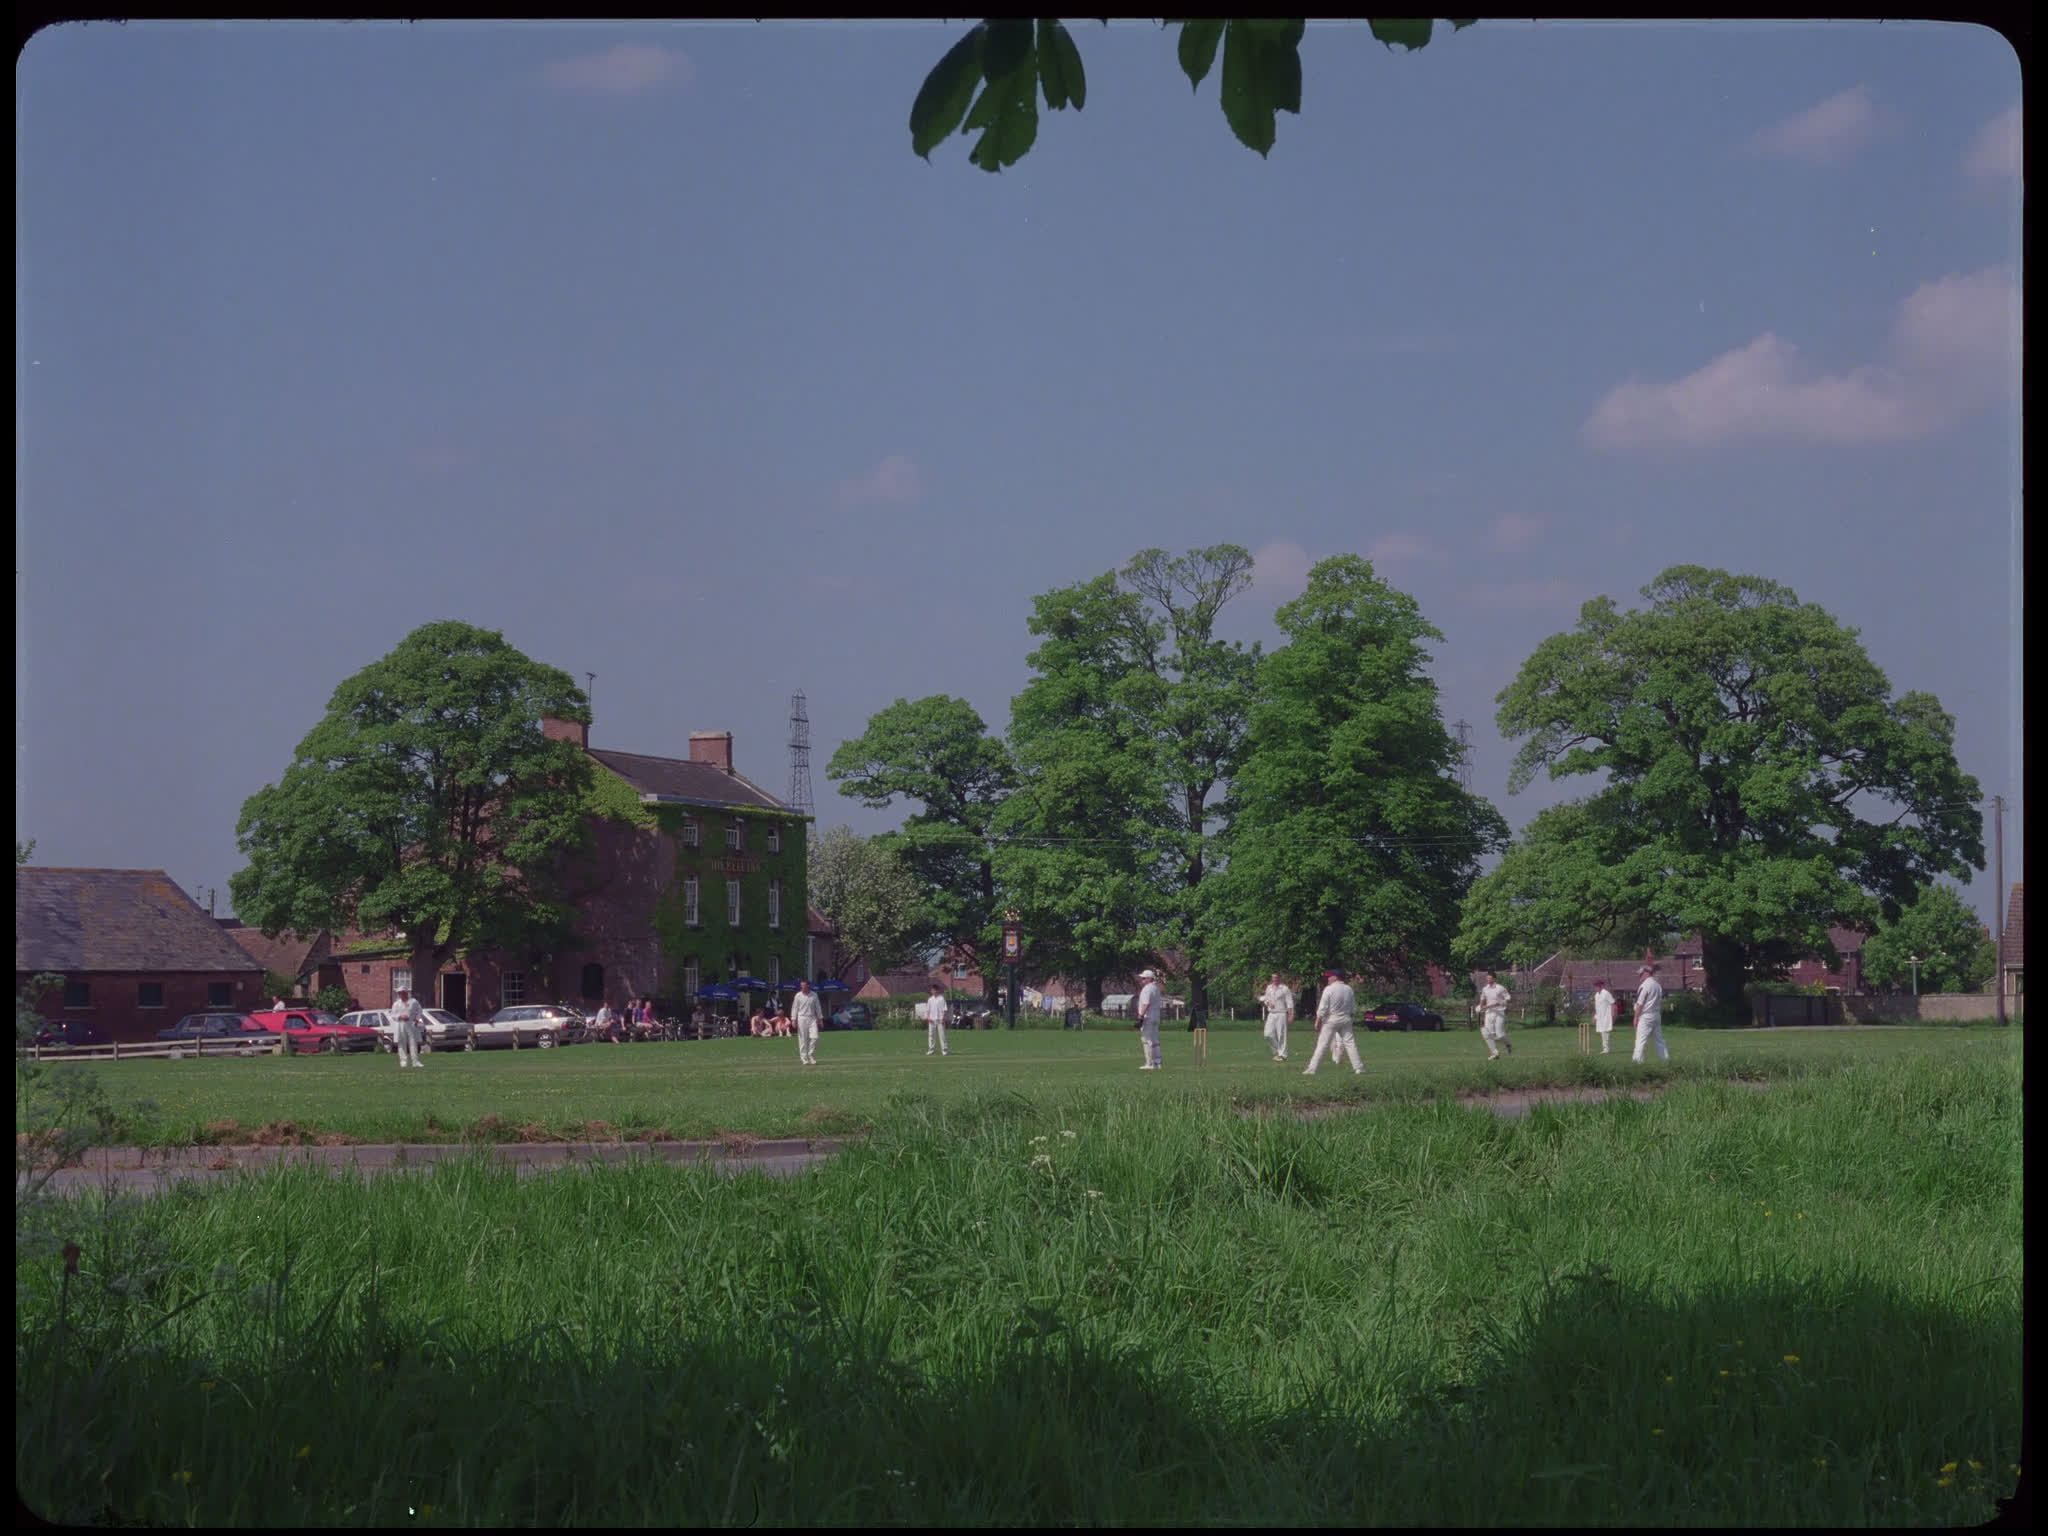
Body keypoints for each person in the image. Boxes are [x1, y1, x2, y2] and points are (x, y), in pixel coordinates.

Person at [1303, 969, 1363, 1076]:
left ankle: (1312, 1069)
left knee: (1322, 1044)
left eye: (1330, 976)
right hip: (1346, 1018)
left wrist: (1317, 1020)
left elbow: (1323, 1007)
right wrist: (1350, 1018)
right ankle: (1359, 1068)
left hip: (1331, 1019)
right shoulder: (1349, 989)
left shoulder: (1329, 989)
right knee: (1350, 1044)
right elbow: (1353, 1008)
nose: (1328, 978)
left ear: (1335, 977)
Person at [1631, 963, 1668, 1063]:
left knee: (1640, 1041)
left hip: (1646, 1016)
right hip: (1656, 1015)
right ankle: (1665, 1060)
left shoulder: (1645, 985)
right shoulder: (1657, 985)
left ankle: (1637, 1062)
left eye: (1641, 974)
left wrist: (1635, 1018)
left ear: (1646, 973)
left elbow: (1640, 1004)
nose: (1639, 976)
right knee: (1659, 1040)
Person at [1260, 971, 1295, 1062]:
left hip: (1282, 1013)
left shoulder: (1285, 989)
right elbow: (1266, 998)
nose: (1274, 979)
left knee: (1281, 1035)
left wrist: (1291, 1015)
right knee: (1267, 1034)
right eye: (1273, 978)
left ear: (1280, 978)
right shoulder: (1269, 988)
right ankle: (1276, 1051)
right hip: (1271, 1014)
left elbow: (1289, 1003)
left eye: (1276, 978)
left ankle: (1283, 1055)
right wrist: (1268, 1003)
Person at [1479, 971, 1513, 1060]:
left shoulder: (1500, 988)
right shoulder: (1485, 989)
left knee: (1499, 1035)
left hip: (1499, 1012)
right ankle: (1495, 1053)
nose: (1487, 979)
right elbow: (1482, 999)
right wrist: (1481, 1007)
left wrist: (1501, 1002)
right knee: (1487, 1033)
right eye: (1487, 978)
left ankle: (1508, 1044)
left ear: (1494, 979)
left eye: (1489, 978)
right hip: (1489, 1012)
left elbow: (1508, 998)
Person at [390, 986, 426, 1070]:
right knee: (401, 1043)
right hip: (400, 1024)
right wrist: (400, 1016)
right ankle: (403, 1062)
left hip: (411, 1024)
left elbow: (420, 1011)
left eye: (402, 992)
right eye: (399, 993)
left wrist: (417, 1020)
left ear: (406, 992)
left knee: (413, 1042)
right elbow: (392, 1015)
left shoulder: (413, 1001)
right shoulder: (396, 1004)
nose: (400, 994)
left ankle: (415, 1061)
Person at [1135, 969, 1164, 1070]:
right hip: (1156, 1017)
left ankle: (1149, 1063)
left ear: (1149, 979)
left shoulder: (1147, 989)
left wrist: (1140, 1016)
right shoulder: (1155, 988)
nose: (1142, 979)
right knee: (1155, 1040)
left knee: (1146, 1039)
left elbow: (1146, 1003)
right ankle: (1157, 1063)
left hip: (1148, 1017)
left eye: (1143, 978)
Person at [790, 979, 823, 1066]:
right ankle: (804, 1059)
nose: (802, 987)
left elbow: (818, 1007)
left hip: (812, 1018)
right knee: (803, 1040)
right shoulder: (798, 995)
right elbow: (794, 1008)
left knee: (815, 1037)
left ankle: (810, 1054)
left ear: (808, 986)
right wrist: (793, 1019)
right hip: (801, 1018)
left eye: (804, 985)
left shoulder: (814, 995)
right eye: (801, 986)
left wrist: (820, 1019)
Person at [925, 982, 951, 1057]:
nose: (934, 991)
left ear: (938, 990)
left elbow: (944, 1009)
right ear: (931, 991)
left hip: (940, 1019)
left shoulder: (941, 999)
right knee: (931, 1035)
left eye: (935, 990)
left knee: (942, 1035)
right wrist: (928, 1017)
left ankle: (944, 1050)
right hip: (932, 1020)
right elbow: (928, 1010)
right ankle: (931, 1050)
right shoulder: (930, 999)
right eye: (933, 990)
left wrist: (943, 1018)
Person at [1592, 980, 1617, 1054]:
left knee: (1605, 1031)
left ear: (1601, 986)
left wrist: (1613, 1015)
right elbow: (1597, 1007)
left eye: (1597, 986)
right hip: (1600, 1016)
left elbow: (1613, 1003)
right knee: (1601, 1032)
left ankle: (1606, 1049)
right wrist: (1595, 1016)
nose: (1596, 988)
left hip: (1606, 1015)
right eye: (1595, 986)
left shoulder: (1606, 993)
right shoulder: (1596, 995)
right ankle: (1605, 1048)